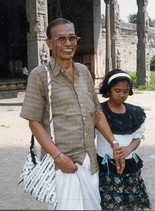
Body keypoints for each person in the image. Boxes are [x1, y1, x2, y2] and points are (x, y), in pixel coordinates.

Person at [20, 18, 124, 210]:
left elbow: (96, 113)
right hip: (61, 164)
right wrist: (59, 157)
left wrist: (114, 144)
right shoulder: (40, 75)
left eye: (72, 38)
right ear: (49, 43)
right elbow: (34, 122)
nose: (68, 44)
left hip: (88, 160)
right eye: (61, 39)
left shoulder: (84, 72)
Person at [96, 69, 151, 210]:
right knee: (108, 201)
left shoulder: (134, 112)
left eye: (126, 91)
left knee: (130, 200)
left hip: (129, 164)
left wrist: (128, 149)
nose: (122, 95)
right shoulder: (99, 111)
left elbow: (137, 138)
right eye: (117, 90)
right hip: (107, 165)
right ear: (108, 90)